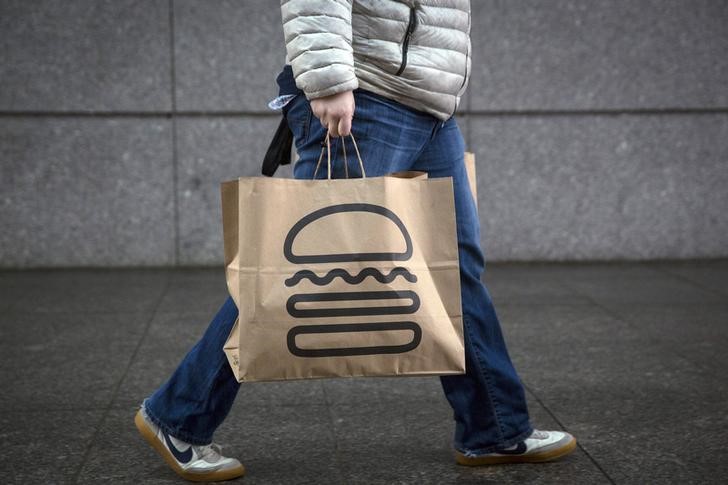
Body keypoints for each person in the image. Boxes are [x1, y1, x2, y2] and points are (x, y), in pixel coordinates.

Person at [134, 0, 577, 481]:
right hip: (367, 97)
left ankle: (494, 428)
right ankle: (178, 416)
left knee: (455, 265)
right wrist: (329, 81)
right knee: (295, 271)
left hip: (431, 105)